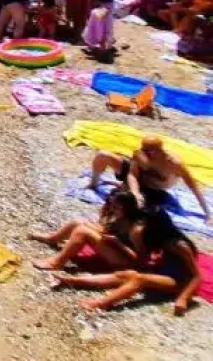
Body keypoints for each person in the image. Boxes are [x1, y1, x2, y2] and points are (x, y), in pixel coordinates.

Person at [49, 209, 203, 315]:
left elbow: (197, 275)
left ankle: (102, 303)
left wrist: (183, 298)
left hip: (180, 281)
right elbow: (143, 257)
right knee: (124, 274)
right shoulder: (160, 239)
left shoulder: (179, 245)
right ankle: (74, 280)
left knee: (139, 279)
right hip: (164, 271)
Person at [88, 135, 211, 219]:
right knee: (102, 155)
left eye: (149, 151)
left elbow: (193, 187)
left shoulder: (173, 163)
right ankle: (93, 184)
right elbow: (132, 174)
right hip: (137, 183)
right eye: (144, 150)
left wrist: (207, 213)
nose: (145, 153)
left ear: (159, 150)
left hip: (154, 191)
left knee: (131, 208)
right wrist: (135, 192)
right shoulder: (140, 155)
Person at [30, 189, 141, 272]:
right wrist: (104, 214)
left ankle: (56, 263)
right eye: (111, 205)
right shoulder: (119, 217)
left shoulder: (135, 229)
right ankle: (53, 238)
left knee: (82, 232)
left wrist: (117, 242)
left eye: (116, 207)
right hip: (114, 247)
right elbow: (106, 230)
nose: (112, 209)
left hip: (125, 262)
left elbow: (139, 260)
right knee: (77, 222)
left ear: (127, 208)